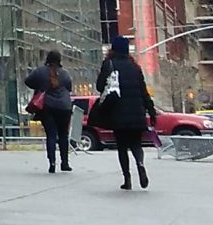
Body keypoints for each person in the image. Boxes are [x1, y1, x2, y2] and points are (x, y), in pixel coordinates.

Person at [89, 33, 156, 190]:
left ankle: (127, 179)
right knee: (136, 144)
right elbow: (144, 92)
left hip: (118, 113)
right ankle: (140, 164)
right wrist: (151, 112)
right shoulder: (135, 67)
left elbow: (100, 86)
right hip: (137, 112)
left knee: (122, 147)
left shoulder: (109, 64)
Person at [24, 50, 76, 175]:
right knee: (63, 135)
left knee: (51, 135)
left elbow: (27, 81)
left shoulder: (40, 71)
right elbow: (69, 87)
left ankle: (52, 163)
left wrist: (39, 87)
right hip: (64, 107)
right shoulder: (64, 73)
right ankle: (65, 163)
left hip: (48, 107)